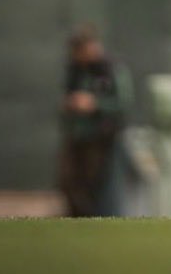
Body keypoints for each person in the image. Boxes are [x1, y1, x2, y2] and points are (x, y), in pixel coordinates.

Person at [58, 25, 131, 217]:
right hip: (76, 133)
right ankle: (75, 219)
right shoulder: (76, 70)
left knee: (94, 184)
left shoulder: (109, 69)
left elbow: (122, 103)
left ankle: (90, 220)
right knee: (68, 180)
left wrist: (94, 104)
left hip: (99, 136)